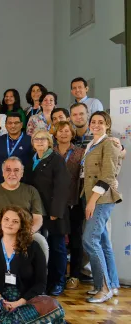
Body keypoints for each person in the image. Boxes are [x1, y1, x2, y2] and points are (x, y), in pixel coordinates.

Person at [0, 207, 65, 323]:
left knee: (54, 307)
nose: (10, 224)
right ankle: (8, 321)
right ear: (0, 222)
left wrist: (20, 302)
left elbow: (41, 283)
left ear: (21, 225)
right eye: (6, 219)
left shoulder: (34, 247)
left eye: (15, 221)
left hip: (25, 300)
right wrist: (1, 299)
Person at [81, 111, 122, 303]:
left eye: (100, 122)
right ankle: (110, 285)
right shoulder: (92, 143)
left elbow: (107, 176)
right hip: (92, 197)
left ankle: (103, 288)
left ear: (107, 125)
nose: (96, 124)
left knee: (90, 240)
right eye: (93, 121)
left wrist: (91, 201)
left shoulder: (109, 143)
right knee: (103, 242)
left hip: (102, 199)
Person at [29, 130, 70, 296]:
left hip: (53, 212)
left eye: (43, 139)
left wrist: (55, 211)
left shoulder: (56, 159)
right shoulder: (31, 160)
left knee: (57, 247)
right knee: (42, 247)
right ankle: (45, 283)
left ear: (49, 142)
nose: (39, 142)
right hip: (37, 212)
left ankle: (59, 282)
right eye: (36, 139)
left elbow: (62, 187)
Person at [0, 157, 48, 261]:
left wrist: (27, 233)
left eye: (16, 170)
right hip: (1, 232)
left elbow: (38, 219)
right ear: (2, 172)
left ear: (22, 173)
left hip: (27, 232)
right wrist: (6, 233)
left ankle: (42, 275)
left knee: (41, 241)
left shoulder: (31, 191)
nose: (12, 174)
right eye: (8, 170)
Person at [53, 121, 86, 290]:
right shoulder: (50, 152)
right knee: (56, 240)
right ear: (55, 134)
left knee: (75, 239)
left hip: (74, 202)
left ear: (72, 133)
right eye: (60, 131)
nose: (64, 134)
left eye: (67, 131)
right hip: (55, 203)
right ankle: (56, 275)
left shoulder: (80, 153)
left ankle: (74, 275)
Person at [0, 112, 32, 184]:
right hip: (2, 183)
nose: (13, 126)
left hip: (23, 184)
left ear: (21, 125)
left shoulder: (30, 141)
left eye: (16, 123)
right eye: (10, 123)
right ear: (6, 125)